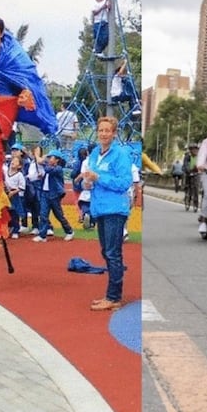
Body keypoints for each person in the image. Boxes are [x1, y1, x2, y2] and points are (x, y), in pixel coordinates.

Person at [0, 15, 58, 248]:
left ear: (1, 32)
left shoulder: (13, 53)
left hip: (8, 103)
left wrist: (25, 93)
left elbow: (26, 76)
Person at [81, 116, 133, 311]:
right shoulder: (95, 153)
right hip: (100, 208)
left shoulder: (120, 154)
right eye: (101, 130)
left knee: (113, 253)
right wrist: (88, 182)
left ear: (114, 133)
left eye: (107, 130)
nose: (103, 134)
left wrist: (99, 178)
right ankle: (111, 295)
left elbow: (124, 182)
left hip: (115, 209)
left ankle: (113, 297)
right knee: (107, 252)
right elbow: (91, 178)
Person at [34, 150, 75, 242]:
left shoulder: (58, 169)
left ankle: (69, 231)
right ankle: (42, 235)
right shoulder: (50, 167)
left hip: (54, 194)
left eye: (50, 157)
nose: (49, 159)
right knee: (43, 214)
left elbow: (48, 169)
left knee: (59, 215)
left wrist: (38, 157)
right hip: (45, 193)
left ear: (57, 160)